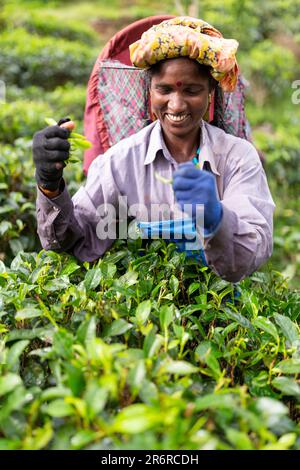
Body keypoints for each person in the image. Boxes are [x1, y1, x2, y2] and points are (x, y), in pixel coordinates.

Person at [33, 17, 275, 282]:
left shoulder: (237, 157)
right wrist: (50, 186)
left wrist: (216, 218)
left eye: (192, 91)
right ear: (150, 92)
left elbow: (255, 250)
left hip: (221, 314)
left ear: (210, 94)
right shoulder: (120, 161)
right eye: (165, 90)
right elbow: (76, 241)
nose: (177, 105)